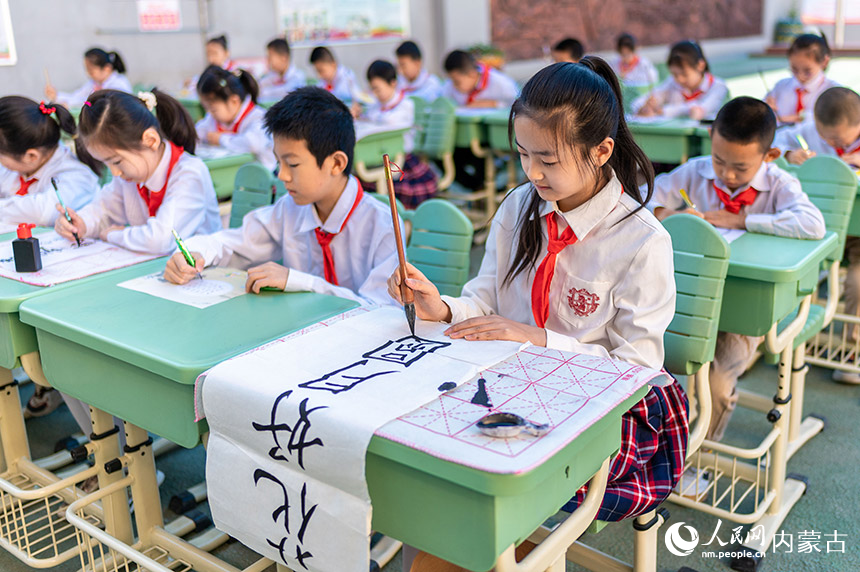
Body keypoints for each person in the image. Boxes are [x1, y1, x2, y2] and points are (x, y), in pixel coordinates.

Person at [393, 62, 687, 572]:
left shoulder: (642, 241)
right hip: (509, 384)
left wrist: (539, 339)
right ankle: (490, 551)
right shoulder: (519, 206)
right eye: (524, 154)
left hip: (598, 412)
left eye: (547, 159)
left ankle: (496, 551)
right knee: (425, 464)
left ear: (601, 151)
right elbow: (483, 301)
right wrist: (439, 307)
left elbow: (637, 369)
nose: (531, 173)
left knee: (457, 486)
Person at [649, 96, 825, 450]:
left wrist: (742, 219)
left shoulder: (778, 184)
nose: (727, 174)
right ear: (711, 137)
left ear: (770, 156)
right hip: (690, 299)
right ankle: (669, 450)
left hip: (744, 308)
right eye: (719, 160)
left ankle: (705, 452)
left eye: (740, 168)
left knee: (715, 383)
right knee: (664, 370)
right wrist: (666, 213)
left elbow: (813, 223)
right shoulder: (696, 171)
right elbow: (641, 194)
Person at [164, 87, 400, 308]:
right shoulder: (289, 209)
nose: (282, 175)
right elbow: (235, 243)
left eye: (293, 163)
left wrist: (301, 282)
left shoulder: (382, 224)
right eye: (279, 162)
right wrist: (195, 253)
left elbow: (380, 308)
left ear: (336, 163)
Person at [362, 60, 437, 208]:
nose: (375, 94)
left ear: (393, 83)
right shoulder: (376, 106)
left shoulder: (406, 104)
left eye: (378, 89)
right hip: (379, 158)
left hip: (402, 160)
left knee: (401, 190)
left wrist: (368, 117)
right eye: (373, 90)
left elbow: (390, 122)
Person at [195, 65, 275, 171]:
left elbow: (252, 144)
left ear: (234, 101)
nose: (209, 113)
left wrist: (220, 139)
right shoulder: (214, 118)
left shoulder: (258, 117)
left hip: (262, 179)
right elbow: (197, 132)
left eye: (213, 109)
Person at [632, 40, 728, 120]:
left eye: (684, 74)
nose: (679, 79)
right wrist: (644, 107)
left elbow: (701, 110)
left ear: (700, 65)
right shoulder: (672, 82)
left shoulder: (718, 86)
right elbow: (645, 99)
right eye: (674, 74)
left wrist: (663, 111)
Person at [765, 33, 838, 125]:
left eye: (807, 71)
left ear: (825, 62)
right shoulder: (781, 86)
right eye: (794, 69)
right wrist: (766, 109)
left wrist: (796, 118)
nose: (800, 76)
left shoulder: (834, 92)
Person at [45, 48, 132, 108]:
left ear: (107, 69)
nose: (88, 74)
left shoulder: (119, 84)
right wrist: (56, 96)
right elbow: (77, 97)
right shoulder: (93, 84)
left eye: (91, 71)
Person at [440, 50, 518, 109]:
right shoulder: (450, 84)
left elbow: (518, 106)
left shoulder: (501, 83)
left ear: (472, 74)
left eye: (457, 82)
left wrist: (496, 104)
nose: (453, 85)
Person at [259, 38, 307, 103]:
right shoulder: (273, 75)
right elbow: (259, 85)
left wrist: (264, 92)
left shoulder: (298, 77)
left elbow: (287, 91)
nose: (268, 60)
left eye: (270, 57)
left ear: (283, 57)